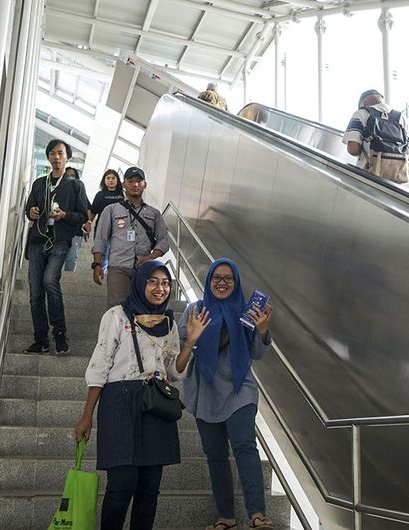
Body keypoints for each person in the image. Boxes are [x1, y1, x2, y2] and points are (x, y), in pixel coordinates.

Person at [74, 260, 211, 530]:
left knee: (149, 490)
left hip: (155, 406)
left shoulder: (169, 323)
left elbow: (173, 371)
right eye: (153, 281)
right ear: (139, 283)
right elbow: (100, 366)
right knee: (122, 484)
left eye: (165, 283)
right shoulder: (116, 316)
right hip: (119, 403)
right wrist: (86, 415)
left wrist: (191, 342)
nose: (160, 288)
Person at [178, 259, 275, 530]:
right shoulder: (194, 310)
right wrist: (193, 339)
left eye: (228, 279)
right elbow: (179, 354)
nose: (222, 283)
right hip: (204, 391)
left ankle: (257, 514)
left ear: (236, 283)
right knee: (216, 455)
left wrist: (263, 329)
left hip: (239, 389)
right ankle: (226, 517)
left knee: (245, 446)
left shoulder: (247, 312)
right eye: (216, 278)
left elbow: (256, 353)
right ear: (208, 281)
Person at [23, 140, 90, 354]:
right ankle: (40, 339)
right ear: (49, 157)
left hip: (60, 241)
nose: (56, 157)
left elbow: (82, 216)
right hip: (37, 240)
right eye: (52, 153)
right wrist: (31, 212)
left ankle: (59, 333)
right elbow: (29, 208)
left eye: (60, 153)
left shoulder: (75, 185)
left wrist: (64, 215)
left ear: (67, 157)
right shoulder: (39, 183)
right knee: (35, 293)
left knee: (49, 280)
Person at [91, 166, 169, 307]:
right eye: (131, 181)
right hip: (118, 267)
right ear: (123, 185)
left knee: (143, 309)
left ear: (145, 184)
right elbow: (100, 239)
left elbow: (164, 240)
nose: (135, 184)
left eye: (139, 181)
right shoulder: (111, 210)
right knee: (116, 309)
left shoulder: (154, 213)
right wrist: (97, 264)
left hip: (145, 269)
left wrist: (150, 257)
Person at [343, 89, 409, 184]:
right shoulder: (404, 119)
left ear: (363, 103)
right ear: (382, 99)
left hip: (368, 178)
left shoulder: (361, 114)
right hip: (397, 181)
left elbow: (353, 149)